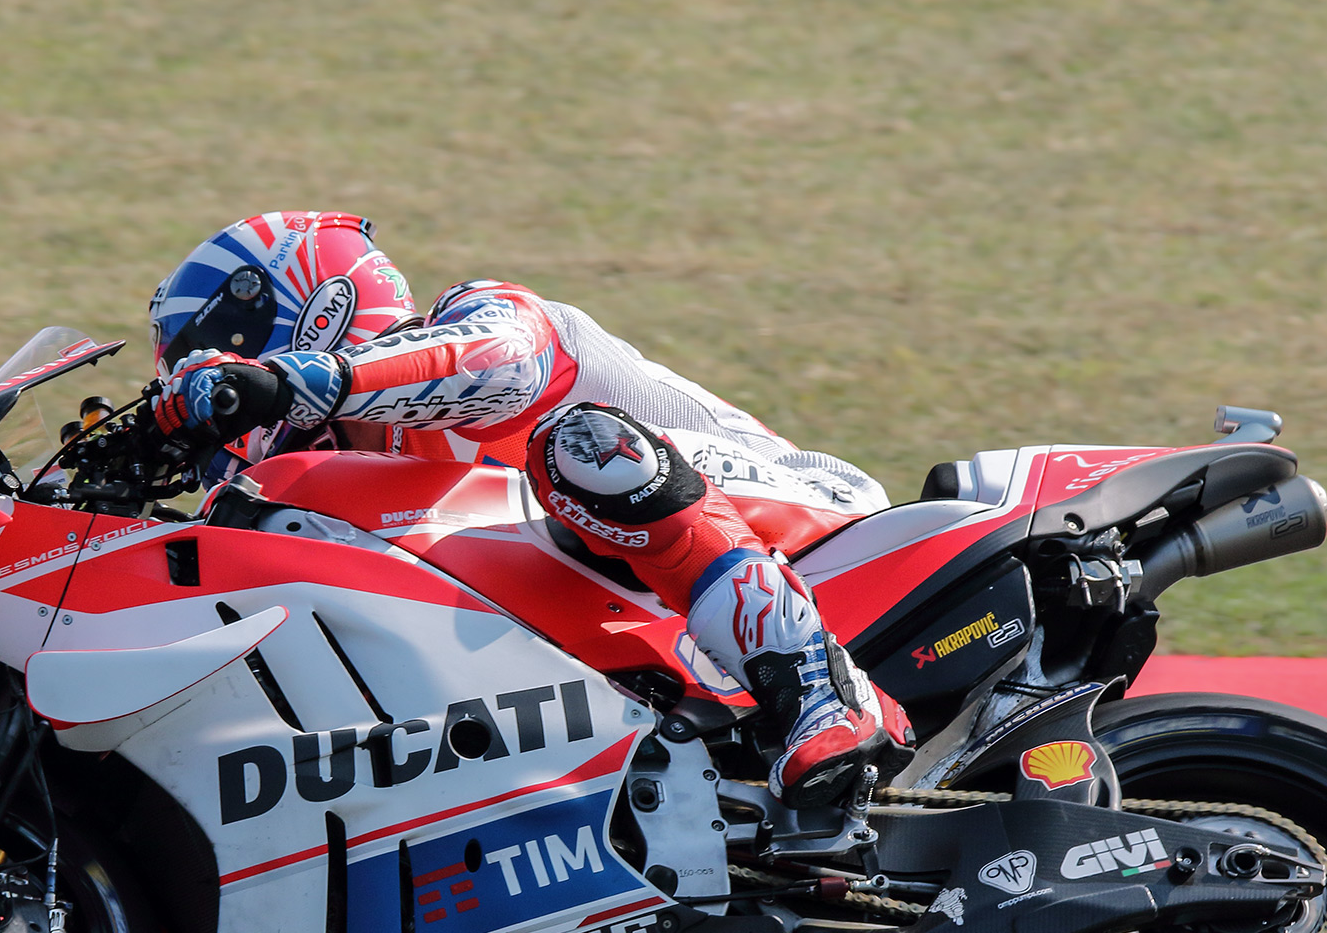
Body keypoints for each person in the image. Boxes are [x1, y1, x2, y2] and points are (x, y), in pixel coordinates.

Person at [146, 211, 897, 806]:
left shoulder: (482, 319)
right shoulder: (347, 485)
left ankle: (821, 688)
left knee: (584, 447)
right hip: (653, 623)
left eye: (216, 353)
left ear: (311, 312)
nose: (213, 393)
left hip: (815, 529)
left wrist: (287, 382)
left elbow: (497, 362)